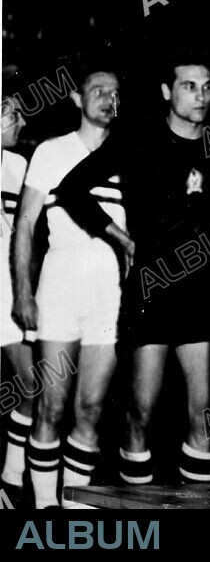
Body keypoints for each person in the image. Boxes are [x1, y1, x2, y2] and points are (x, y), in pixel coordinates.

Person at [55, 60, 210, 488]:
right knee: (140, 414)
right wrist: (121, 238)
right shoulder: (139, 142)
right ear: (168, 92)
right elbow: (71, 189)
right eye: (189, 86)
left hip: (201, 294)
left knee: (202, 417)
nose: (200, 95)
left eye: (206, 86)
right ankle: (135, 507)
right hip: (151, 291)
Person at [13, 66, 124, 508]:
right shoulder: (51, 152)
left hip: (112, 291)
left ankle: (76, 510)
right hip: (60, 282)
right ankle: (42, 509)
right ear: (78, 100)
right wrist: (23, 292)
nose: (107, 98)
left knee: (91, 410)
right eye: (97, 91)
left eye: (115, 92)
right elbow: (24, 226)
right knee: (50, 407)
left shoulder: (130, 152)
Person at [1, 91, 32, 503]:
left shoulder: (20, 165)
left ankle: (11, 477)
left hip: (8, 286)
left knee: (33, 382)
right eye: (14, 116)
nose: (22, 124)